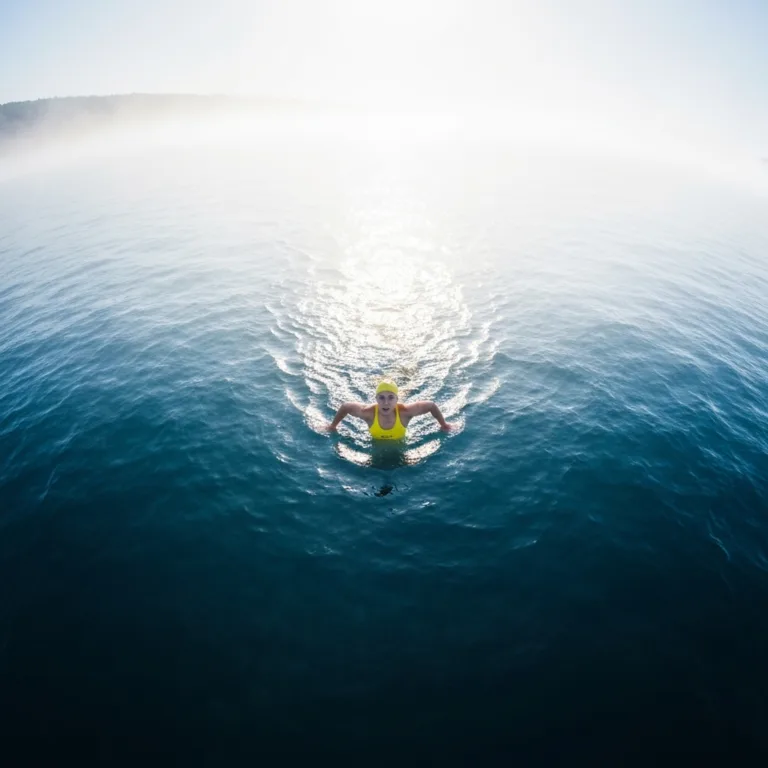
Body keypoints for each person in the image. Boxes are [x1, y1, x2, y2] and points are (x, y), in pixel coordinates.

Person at [326, 381, 453, 439]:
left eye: (391, 398)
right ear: (376, 399)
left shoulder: (405, 412)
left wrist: (444, 425)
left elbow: (431, 405)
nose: (386, 402)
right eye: (381, 398)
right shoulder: (368, 413)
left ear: (397, 399)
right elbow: (345, 406)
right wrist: (333, 426)